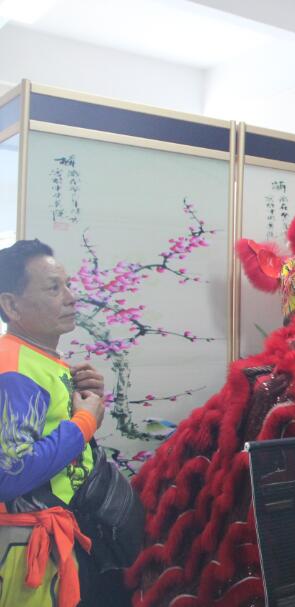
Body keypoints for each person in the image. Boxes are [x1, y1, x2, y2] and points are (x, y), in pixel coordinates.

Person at [0, 239, 124, 607]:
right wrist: (83, 422)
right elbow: (11, 472)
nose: (71, 298)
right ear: (11, 305)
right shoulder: (13, 368)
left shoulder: (38, 357)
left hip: (65, 536)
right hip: (32, 554)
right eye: (54, 288)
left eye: (67, 285)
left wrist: (83, 403)